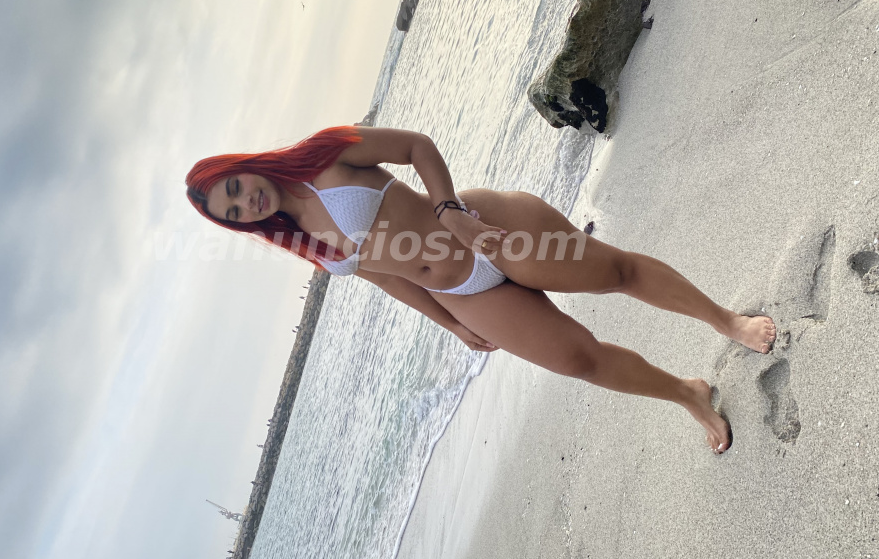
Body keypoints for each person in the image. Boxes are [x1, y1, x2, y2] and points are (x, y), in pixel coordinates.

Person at [186, 126, 776, 453]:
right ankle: (688, 394)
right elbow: (388, 278)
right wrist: (452, 324)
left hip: (488, 230)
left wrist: (450, 212)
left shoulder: (325, 155)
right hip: (465, 294)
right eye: (233, 212)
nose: (245, 202)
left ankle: (727, 321)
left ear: (242, 166)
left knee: (616, 274)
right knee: (579, 360)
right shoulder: (304, 245)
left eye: (234, 187)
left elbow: (416, 147)